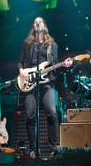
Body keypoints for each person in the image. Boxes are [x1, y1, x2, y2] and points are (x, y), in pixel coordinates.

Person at [17, 17, 73, 159]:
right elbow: (20, 62)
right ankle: (33, 149)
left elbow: (54, 63)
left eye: (40, 21)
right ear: (33, 27)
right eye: (36, 22)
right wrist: (22, 71)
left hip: (46, 83)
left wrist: (63, 64)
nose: (38, 23)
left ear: (44, 25)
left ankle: (53, 148)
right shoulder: (27, 44)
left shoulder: (52, 44)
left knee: (52, 113)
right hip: (30, 83)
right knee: (30, 115)